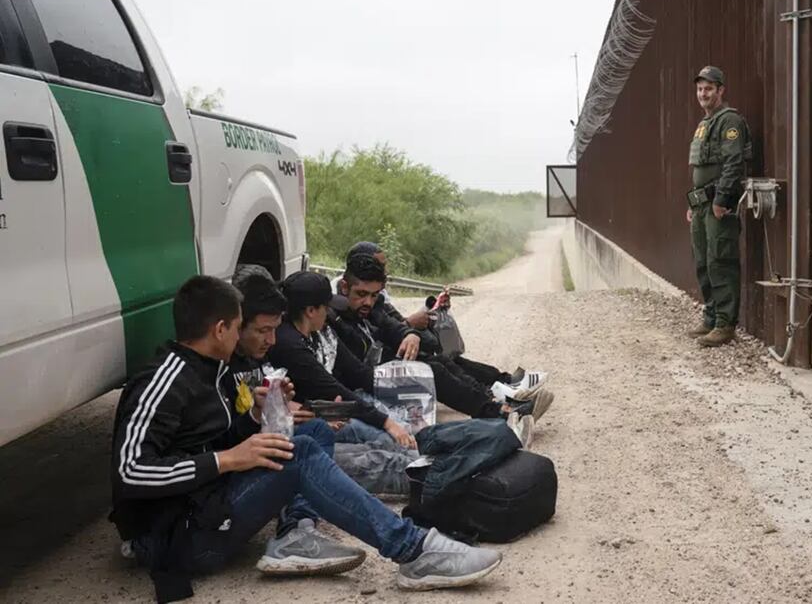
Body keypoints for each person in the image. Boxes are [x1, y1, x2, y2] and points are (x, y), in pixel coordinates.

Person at [109, 275, 502, 602]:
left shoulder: (213, 371)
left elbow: (206, 437)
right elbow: (130, 474)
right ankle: (412, 550)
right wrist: (229, 459)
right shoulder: (164, 382)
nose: (265, 338)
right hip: (179, 538)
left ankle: (297, 531)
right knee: (303, 454)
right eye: (245, 325)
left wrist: (256, 417)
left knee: (309, 431)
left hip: (206, 504)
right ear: (221, 329)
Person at [232, 270, 416, 497]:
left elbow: (356, 372)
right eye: (264, 330)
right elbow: (330, 388)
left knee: (382, 444)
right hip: (285, 446)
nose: (271, 339)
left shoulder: (315, 334)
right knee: (379, 460)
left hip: (307, 427)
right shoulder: (283, 345)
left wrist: (292, 410)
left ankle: (438, 464)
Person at [330, 255, 553, 422]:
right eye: (361, 294)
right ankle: (500, 413)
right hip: (359, 387)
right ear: (344, 287)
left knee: (439, 361)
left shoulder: (370, 306)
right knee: (430, 372)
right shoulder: (333, 318)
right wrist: (407, 369)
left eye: (374, 295)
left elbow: (391, 325)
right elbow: (356, 372)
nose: (368, 302)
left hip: (378, 370)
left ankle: (496, 400)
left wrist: (409, 335)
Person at [345, 241, 530, 392]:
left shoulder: (374, 292)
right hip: (375, 364)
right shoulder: (346, 296)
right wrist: (409, 324)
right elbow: (373, 333)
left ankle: (500, 384)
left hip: (391, 349)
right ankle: (492, 399)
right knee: (435, 366)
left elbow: (389, 322)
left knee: (444, 357)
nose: (384, 272)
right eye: (380, 266)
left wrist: (422, 319)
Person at [685, 65, 750, 347]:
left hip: (718, 204)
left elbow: (733, 163)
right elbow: (700, 167)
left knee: (720, 261)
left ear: (720, 90)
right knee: (703, 262)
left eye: (709, 89)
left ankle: (725, 324)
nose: (703, 94)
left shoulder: (729, 121)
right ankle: (711, 317)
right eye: (700, 89)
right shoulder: (704, 124)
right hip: (701, 205)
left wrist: (722, 199)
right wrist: (693, 203)